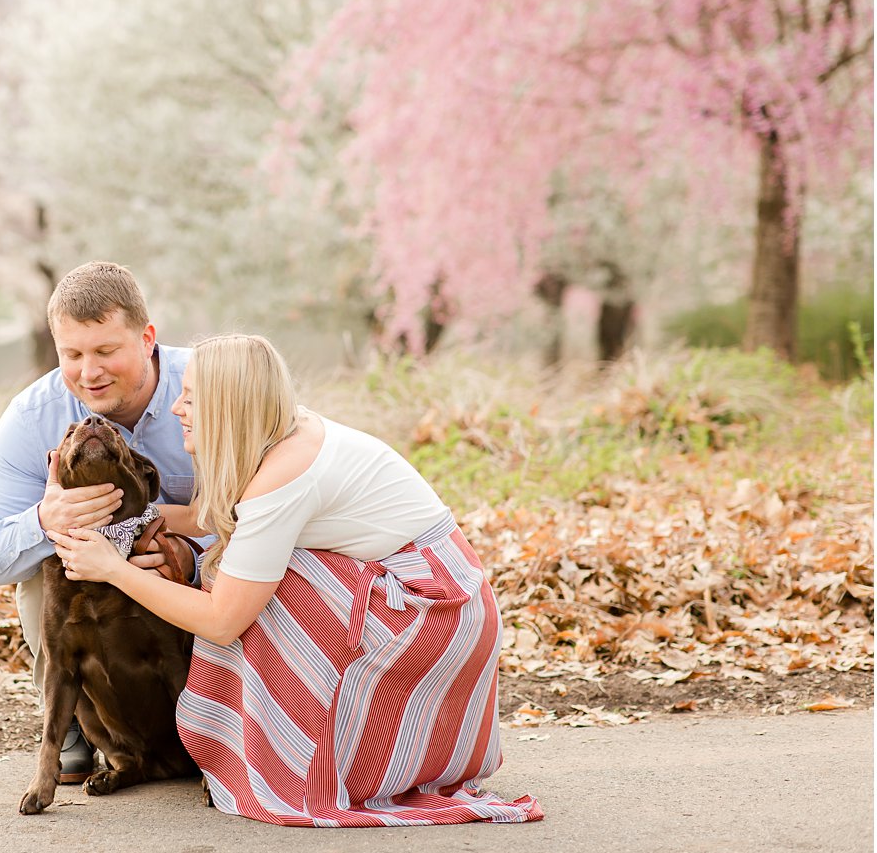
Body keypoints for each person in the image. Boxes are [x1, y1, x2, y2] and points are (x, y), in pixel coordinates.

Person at [50, 333, 543, 827]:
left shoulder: (284, 476)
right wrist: (133, 519)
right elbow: (214, 513)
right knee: (249, 567)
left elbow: (221, 622)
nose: (177, 407)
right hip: (443, 593)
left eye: (192, 397)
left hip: (435, 615)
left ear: (229, 405)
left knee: (253, 588)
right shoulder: (284, 431)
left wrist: (113, 569)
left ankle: (312, 759)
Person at [0, 262, 198, 783]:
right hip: (87, 595)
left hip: (199, 597)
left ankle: (230, 725)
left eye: (106, 351)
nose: (88, 373)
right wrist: (44, 521)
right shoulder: (32, 418)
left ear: (147, 338)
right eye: (72, 355)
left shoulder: (212, 386)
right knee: (38, 561)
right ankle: (72, 723)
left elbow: (278, 504)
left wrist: (192, 557)